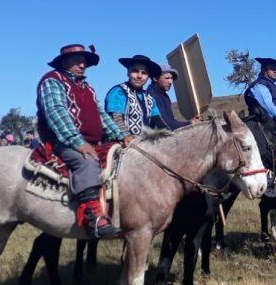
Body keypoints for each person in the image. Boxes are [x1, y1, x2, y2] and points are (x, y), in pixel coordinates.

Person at [37, 43, 131, 238]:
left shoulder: (87, 87)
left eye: (85, 61)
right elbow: (56, 112)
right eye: (77, 60)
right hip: (62, 142)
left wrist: (122, 136)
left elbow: (101, 116)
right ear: (64, 62)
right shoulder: (52, 81)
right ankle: (94, 217)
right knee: (87, 161)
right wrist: (77, 142)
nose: (82, 65)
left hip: (92, 142)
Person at [105, 54, 166, 135]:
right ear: (128, 72)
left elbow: (158, 121)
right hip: (123, 142)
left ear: (148, 77)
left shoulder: (149, 98)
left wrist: (168, 134)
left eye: (144, 73)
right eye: (135, 71)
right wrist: (125, 136)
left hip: (146, 142)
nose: (139, 76)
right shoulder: (118, 92)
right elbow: (116, 118)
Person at [244, 57, 276, 127]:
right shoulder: (259, 85)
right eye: (272, 68)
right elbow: (267, 105)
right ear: (264, 70)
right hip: (263, 127)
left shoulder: (274, 86)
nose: (275, 71)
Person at [146, 64, 194, 130]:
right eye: (167, 78)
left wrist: (190, 122)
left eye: (171, 78)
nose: (171, 82)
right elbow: (164, 123)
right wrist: (189, 123)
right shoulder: (150, 96)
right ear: (155, 78)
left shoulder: (165, 96)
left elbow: (171, 121)